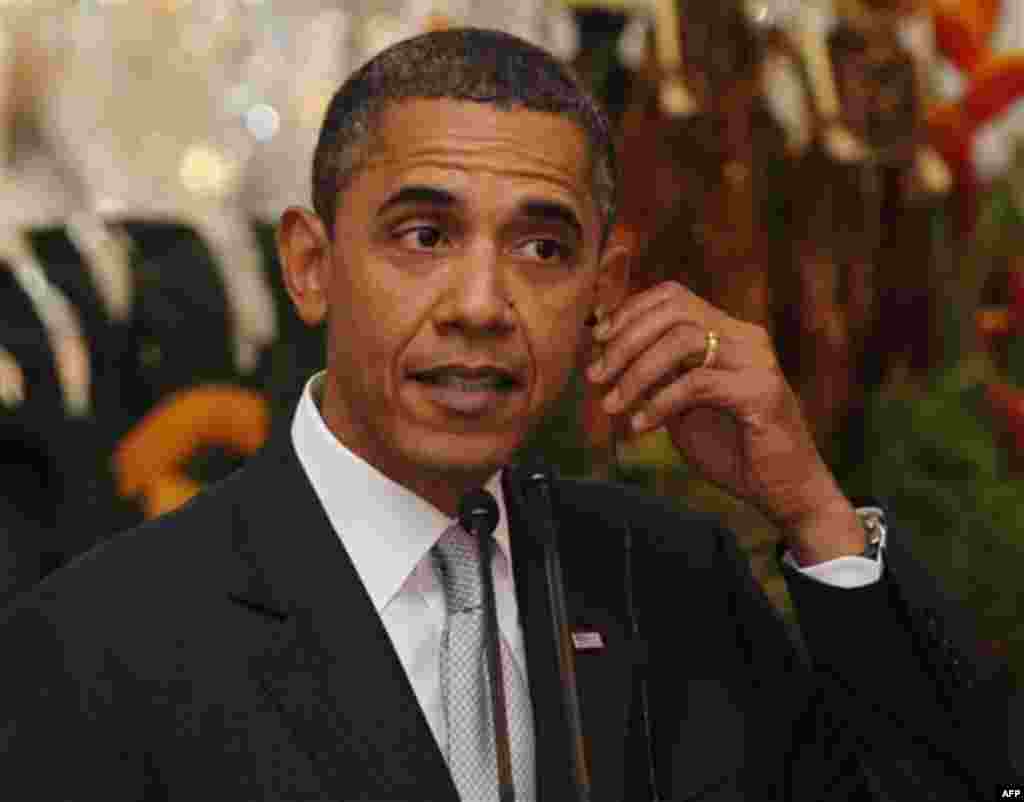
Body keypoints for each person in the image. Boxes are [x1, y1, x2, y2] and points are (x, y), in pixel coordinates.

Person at [0, 27, 1017, 801]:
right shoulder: (104, 642)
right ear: (310, 265)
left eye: (541, 248)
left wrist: (812, 509)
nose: (482, 304)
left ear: (601, 284)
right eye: (423, 234)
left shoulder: (668, 582)